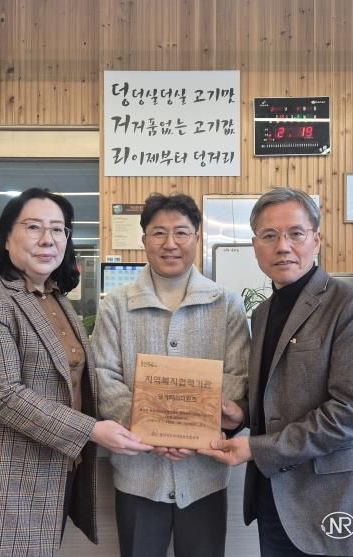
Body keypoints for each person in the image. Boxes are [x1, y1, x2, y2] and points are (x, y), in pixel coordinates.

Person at [0, 188, 151, 556]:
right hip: (2, 480)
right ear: (6, 237)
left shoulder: (56, 298)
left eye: (58, 229)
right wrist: (92, 430)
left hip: (55, 472)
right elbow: (0, 393)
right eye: (33, 227)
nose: (47, 239)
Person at [199, 187, 353, 557]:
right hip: (274, 500)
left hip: (335, 499)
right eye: (269, 235)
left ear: (316, 240)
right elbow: (277, 393)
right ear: (255, 245)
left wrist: (257, 448)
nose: (283, 246)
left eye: (296, 233)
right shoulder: (262, 313)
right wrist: (241, 413)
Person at [92, 193, 249, 557]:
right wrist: (151, 428)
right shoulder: (115, 305)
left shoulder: (226, 303)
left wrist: (192, 431)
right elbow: (103, 377)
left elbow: (238, 375)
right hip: (138, 475)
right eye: (159, 233)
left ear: (197, 237)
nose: (170, 243)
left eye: (181, 232)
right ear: (144, 239)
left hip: (204, 473)